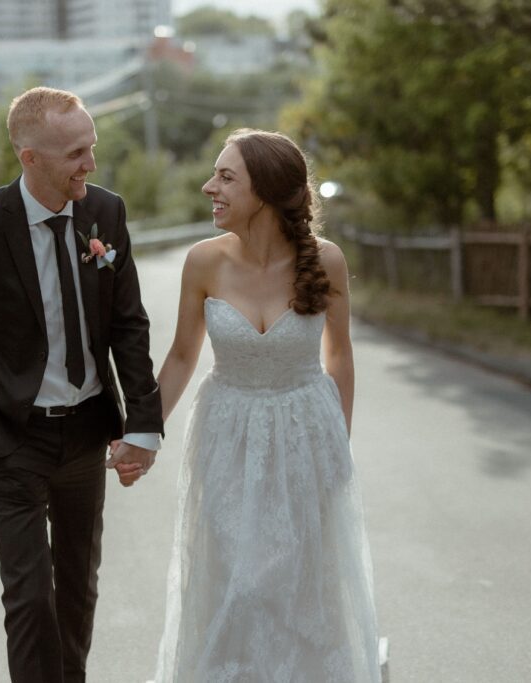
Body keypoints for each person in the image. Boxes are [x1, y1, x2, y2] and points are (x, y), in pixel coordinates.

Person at [0, 86, 163, 683]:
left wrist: (142, 424)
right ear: (30, 157)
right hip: (10, 439)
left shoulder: (105, 213)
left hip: (85, 434)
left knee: (77, 592)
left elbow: (129, 324)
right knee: (30, 597)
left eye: (92, 147)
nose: (90, 163)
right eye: (76, 152)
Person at [145, 129, 381, 681]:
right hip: (226, 437)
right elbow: (181, 356)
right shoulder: (204, 262)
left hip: (305, 436)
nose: (210, 187)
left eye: (226, 177)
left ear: (268, 192)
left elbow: (339, 355)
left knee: (298, 588)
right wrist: (142, 433)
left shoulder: (327, 261)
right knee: (238, 584)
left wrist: (336, 451)